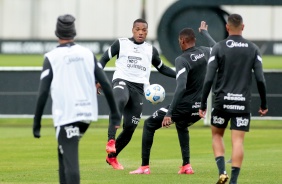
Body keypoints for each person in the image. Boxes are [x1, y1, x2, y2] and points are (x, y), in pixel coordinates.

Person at [32, 14, 121, 184]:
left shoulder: (51, 57)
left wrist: (37, 122)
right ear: (74, 33)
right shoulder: (87, 53)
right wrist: (115, 114)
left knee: (70, 161)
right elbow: (106, 84)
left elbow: (43, 92)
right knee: (63, 153)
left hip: (67, 116)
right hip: (86, 114)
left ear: (57, 33)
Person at [129, 21, 216, 174]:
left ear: (182, 41)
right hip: (199, 108)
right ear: (194, 39)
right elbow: (217, 48)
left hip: (184, 106)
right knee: (182, 125)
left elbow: (181, 87)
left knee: (149, 124)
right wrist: (205, 33)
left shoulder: (181, 60)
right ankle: (186, 166)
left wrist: (169, 113)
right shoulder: (205, 51)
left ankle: (144, 167)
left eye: (179, 41)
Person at [96, 18, 176, 170]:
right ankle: (110, 141)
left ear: (147, 31)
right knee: (120, 99)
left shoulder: (151, 50)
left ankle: (112, 157)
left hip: (139, 89)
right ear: (133, 30)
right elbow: (103, 59)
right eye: (138, 29)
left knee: (130, 127)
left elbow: (162, 68)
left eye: (144, 30)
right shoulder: (121, 43)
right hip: (122, 81)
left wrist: (179, 74)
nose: (140, 32)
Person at [199, 14, 268, 184]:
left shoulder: (219, 48)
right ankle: (234, 181)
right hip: (242, 103)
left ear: (227, 27)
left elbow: (208, 78)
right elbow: (260, 79)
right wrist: (264, 104)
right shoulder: (253, 49)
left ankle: (222, 172)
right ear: (243, 27)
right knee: (238, 141)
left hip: (222, 101)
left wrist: (202, 104)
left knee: (217, 136)